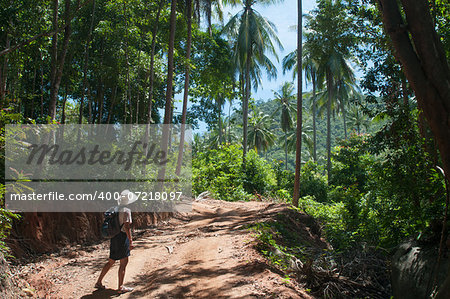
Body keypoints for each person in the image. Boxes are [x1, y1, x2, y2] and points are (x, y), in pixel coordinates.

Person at [95, 189, 137, 293]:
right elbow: (127, 227)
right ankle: (121, 287)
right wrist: (130, 241)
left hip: (114, 237)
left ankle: (98, 282)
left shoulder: (114, 209)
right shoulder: (126, 211)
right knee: (124, 262)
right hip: (122, 238)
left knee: (111, 261)